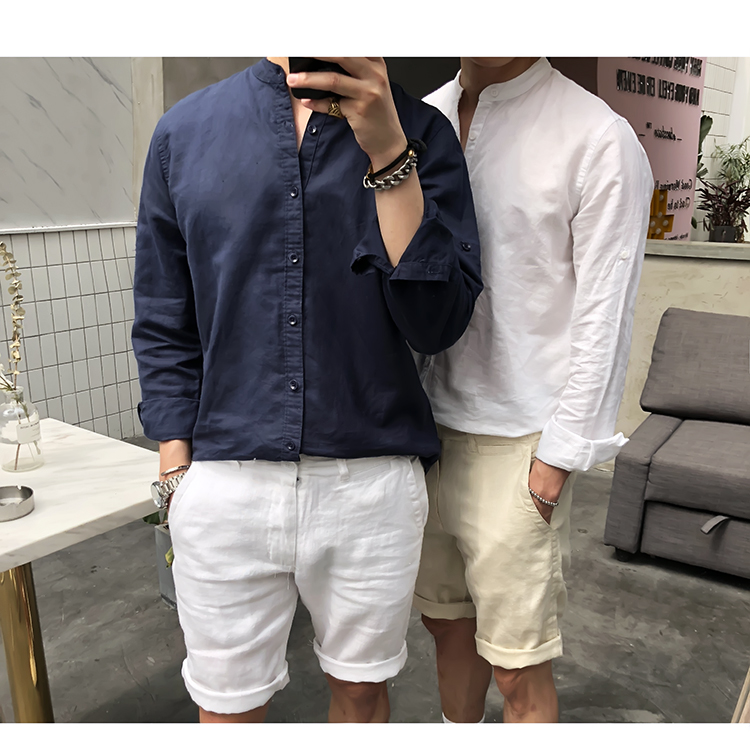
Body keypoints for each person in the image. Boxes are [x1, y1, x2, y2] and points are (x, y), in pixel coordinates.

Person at [131, 57, 482, 724]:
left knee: (362, 692)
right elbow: (164, 310)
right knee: (227, 709)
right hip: (224, 478)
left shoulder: (421, 133)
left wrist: (389, 155)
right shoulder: (185, 131)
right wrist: (176, 466)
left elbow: (436, 325)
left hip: (371, 479)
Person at [415, 57, 653, 723]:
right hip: (423, 432)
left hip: (520, 444)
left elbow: (606, 315)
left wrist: (556, 461)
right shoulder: (421, 118)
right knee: (446, 628)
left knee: (517, 666)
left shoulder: (597, 136)